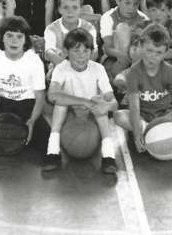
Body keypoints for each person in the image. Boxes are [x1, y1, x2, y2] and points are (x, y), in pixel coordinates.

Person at [116, 23, 172, 153]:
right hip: (143, 116)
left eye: (158, 52)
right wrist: (136, 136)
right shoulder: (133, 73)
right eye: (149, 50)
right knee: (119, 116)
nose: (152, 56)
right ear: (141, 46)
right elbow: (134, 108)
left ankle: (170, 131)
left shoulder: (171, 72)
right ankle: (149, 129)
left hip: (166, 114)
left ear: (165, 53)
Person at [42, 28, 119, 175]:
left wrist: (105, 106)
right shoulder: (61, 69)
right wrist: (84, 101)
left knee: (99, 103)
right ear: (66, 52)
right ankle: (52, 152)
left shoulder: (98, 69)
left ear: (91, 52)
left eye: (86, 51)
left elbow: (113, 102)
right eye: (76, 51)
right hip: (70, 113)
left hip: (91, 114)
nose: (81, 56)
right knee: (60, 103)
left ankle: (109, 156)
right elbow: (52, 95)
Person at [0, 16, 47, 148]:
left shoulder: (34, 61)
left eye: (19, 36)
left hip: (27, 105)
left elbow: (40, 98)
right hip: (3, 103)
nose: (14, 41)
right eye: (9, 35)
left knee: (46, 140)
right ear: (2, 38)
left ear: (25, 40)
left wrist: (32, 121)